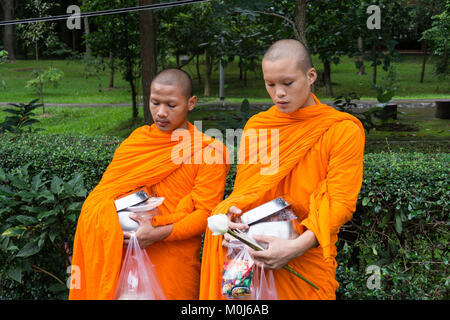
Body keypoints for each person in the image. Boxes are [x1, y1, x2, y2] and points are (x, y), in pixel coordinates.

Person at [200, 39, 365, 300]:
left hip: (307, 257)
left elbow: (340, 202)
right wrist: (234, 219)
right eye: (270, 84)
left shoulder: (341, 130)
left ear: (311, 76)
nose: (279, 94)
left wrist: (296, 247)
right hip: (255, 254)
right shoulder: (258, 126)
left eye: (288, 83)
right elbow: (249, 191)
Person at [69, 68, 229, 300]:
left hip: (175, 261)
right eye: (155, 103)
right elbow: (101, 199)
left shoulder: (208, 151)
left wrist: (159, 233)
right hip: (125, 257)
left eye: (171, 105)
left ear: (191, 103)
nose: (161, 113)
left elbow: (206, 213)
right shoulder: (136, 143)